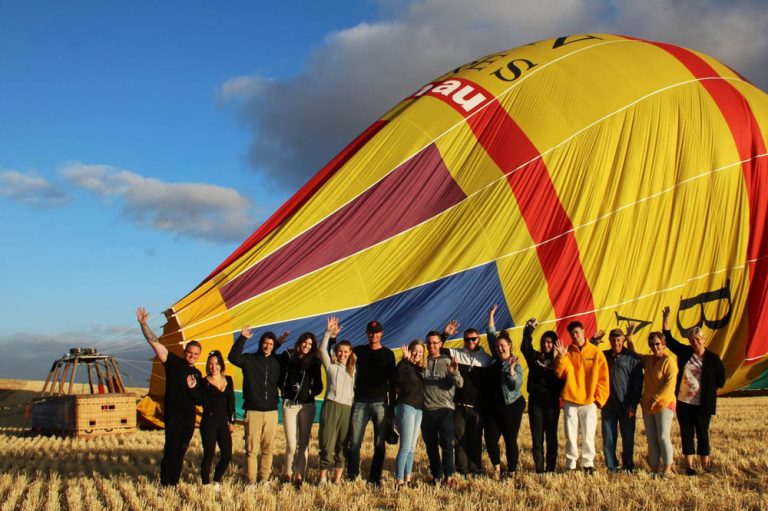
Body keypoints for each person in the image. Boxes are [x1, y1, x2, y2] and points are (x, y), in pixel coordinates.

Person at [137, 307, 202, 487]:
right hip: (174, 417)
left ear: (199, 356)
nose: (192, 356)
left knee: (181, 452)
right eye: (190, 352)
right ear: (184, 351)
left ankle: (174, 482)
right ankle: (165, 483)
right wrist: (144, 325)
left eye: (196, 354)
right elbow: (155, 343)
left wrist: (192, 389)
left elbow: (199, 399)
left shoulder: (197, 374)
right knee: (171, 451)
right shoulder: (173, 363)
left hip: (188, 419)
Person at [662, 306, 726, 475]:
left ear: (703, 339)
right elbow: (669, 340)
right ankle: (689, 466)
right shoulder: (685, 353)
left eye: (698, 339)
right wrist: (666, 319)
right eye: (692, 340)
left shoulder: (713, 359)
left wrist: (709, 395)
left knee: (703, 434)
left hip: (703, 405)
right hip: (684, 403)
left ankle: (705, 465)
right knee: (686, 433)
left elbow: (721, 380)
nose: (695, 343)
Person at [228, 327, 289, 485]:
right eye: (265, 343)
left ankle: (264, 480)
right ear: (260, 343)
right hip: (253, 410)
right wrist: (242, 338)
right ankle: (251, 482)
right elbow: (232, 357)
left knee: (268, 449)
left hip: (271, 412)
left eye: (270, 344)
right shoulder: (249, 359)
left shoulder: (276, 361)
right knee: (252, 449)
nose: (267, 346)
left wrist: (279, 343)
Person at [553, 320, 610, 474]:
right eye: (572, 334)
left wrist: (599, 399)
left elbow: (603, 378)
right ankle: (571, 464)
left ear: (584, 332)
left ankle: (588, 464)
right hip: (571, 400)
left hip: (588, 401)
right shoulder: (568, 352)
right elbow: (559, 373)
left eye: (577, 332)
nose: (575, 336)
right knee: (570, 435)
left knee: (588, 435)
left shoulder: (596, 352)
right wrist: (561, 357)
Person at [346, 320, 396, 486]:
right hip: (360, 400)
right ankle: (352, 475)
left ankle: (375, 478)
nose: (373, 335)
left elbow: (393, 382)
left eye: (376, 332)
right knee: (354, 442)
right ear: (366, 333)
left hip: (380, 402)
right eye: (370, 332)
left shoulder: (389, 354)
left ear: (381, 333)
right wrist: (331, 337)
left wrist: (392, 406)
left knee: (379, 443)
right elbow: (339, 356)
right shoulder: (358, 351)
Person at [441, 321, 492, 477]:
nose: (471, 342)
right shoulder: (456, 354)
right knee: (460, 441)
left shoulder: (486, 359)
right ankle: (462, 470)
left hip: (477, 407)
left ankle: (475, 470)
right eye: (467, 339)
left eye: (474, 339)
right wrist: (445, 335)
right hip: (458, 406)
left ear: (479, 339)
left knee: (476, 440)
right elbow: (437, 349)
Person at [627, 329, 677, 478]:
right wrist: (629, 338)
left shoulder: (669, 362)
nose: (655, 347)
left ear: (663, 345)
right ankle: (654, 468)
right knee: (651, 438)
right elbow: (634, 355)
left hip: (664, 404)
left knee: (663, 436)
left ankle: (668, 468)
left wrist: (656, 398)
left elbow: (670, 384)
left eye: (657, 344)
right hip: (648, 405)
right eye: (652, 344)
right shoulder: (648, 360)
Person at [519, 317, 564, 473]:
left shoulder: (560, 360)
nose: (546, 344)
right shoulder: (535, 358)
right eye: (544, 341)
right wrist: (528, 330)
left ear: (555, 344)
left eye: (550, 342)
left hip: (552, 401)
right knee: (537, 437)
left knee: (551, 436)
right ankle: (539, 469)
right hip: (536, 401)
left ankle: (551, 468)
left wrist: (561, 356)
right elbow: (525, 347)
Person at [485, 306, 525, 479]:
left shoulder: (516, 364)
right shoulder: (494, 359)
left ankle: (512, 471)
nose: (500, 348)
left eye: (502, 345)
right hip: (493, 408)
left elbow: (515, 385)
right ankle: (497, 468)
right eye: (497, 346)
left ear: (509, 346)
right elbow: (491, 334)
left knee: (510, 439)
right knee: (491, 440)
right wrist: (491, 315)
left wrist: (510, 371)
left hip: (511, 406)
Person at [279, 331, 323, 486]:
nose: (307, 346)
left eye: (310, 344)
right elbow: (277, 372)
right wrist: (284, 390)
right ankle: (287, 472)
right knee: (291, 443)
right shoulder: (288, 357)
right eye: (305, 342)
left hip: (307, 406)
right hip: (290, 404)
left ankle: (299, 474)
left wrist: (310, 391)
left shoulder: (314, 362)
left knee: (303, 442)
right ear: (299, 342)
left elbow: (319, 386)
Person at [187, 350, 235, 485]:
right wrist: (192, 388)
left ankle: (217, 480)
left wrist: (232, 421)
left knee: (227, 455)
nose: (213, 367)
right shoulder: (204, 382)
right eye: (211, 364)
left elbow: (231, 403)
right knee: (209, 454)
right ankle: (206, 484)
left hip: (223, 422)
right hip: (209, 421)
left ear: (221, 365)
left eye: (216, 364)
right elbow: (198, 400)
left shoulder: (229, 380)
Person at [421, 331, 463, 485]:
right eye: (429, 342)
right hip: (426, 410)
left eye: (435, 342)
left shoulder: (447, 362)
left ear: (440, 344)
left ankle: (449, 475)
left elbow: (460, 384)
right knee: (431, 446)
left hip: (445, 409)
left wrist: (454, 373)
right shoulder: (422, 362)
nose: (432, 345)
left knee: (446, 444)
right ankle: (436, 474)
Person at [318, 317, 356, 485]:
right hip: (331, 406)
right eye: (340, 351)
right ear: (336, 352)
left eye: (346, 352)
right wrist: (328, 333)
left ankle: (337, 478)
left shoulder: (354, 371)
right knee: (327, 442)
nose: (342, 354)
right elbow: (321, 351)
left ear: (350, 355)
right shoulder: (330, 367)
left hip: (347, 408)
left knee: (342, 444)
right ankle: (322, 477)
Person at [601, 328, 643, 473]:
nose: (616, 342)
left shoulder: (632, 358)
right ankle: (611, 466)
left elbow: (637, 384)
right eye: (613, 339)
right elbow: (589, 357)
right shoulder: (604, 356)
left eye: (618, 339)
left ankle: (628, 465)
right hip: (608, 405)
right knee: (608, 439)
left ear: (623, 340)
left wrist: (633, 405)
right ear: (609, 341)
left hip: (626, 405)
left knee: (628, 437)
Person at [393, 339, 426, 487]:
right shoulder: (403, 365)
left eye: (420, 352)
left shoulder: (419, 369)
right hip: (406, 406)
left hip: (419, 409)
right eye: (415, 350)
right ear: (410, 350)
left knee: (412, 447)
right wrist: (405, 360)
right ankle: (399, 480)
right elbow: (398, 381)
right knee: (405, 445)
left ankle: (408, 479)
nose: (418, 354)